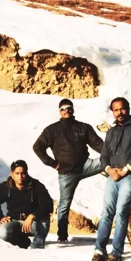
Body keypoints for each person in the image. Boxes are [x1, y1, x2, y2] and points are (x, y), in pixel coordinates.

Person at [33, 98, 105, 242]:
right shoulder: (52, 130)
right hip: (67, 172)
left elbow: (98, 145)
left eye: (69, 108)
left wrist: (111, 157)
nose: (66, 111)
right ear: (59, 111)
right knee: (64, 204)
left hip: (86, 165)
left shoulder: (84, 127)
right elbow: (37, 147)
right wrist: (52, 164)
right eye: (63, 108)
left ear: (73, 110)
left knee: (108, 159)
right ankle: (62, 235)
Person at [92, 97, 131, 261]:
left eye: (123, 109)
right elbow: (105, 155)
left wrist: (126, 169)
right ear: (113, 111)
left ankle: (116, 252)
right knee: (106, 212)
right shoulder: (112, 132)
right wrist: (109, 169)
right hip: (113, 175)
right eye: (116, 110)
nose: (120, 113)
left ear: (128, 108)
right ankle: (99, 249)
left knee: (121, 211)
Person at [0, 159, 53, 249]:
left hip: (34, 223)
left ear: (27, 173)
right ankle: (24, 242)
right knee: (3, 232)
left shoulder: (37, 186)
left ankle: (37, 246)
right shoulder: (5, 187)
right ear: (12, 174)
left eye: (23, 173)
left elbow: (47, 205)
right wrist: (0, 217)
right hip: (15, 221)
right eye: (17, 173)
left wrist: (32, 216)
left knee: (44, 220)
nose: (20, 176)